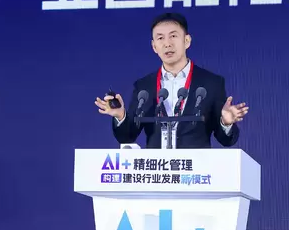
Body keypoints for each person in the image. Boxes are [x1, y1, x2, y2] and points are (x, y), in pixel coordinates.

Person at [95, 12, 249, 148]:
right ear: (154, 46)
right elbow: (127, 137)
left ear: (187, 41)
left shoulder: (211, 83)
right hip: (156, 168)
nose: (167, 43)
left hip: (196, 168)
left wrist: (226, 122)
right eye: (160, 38)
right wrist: (120, 116)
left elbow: (226, 140)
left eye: (173, 36)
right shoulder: (144, 86)